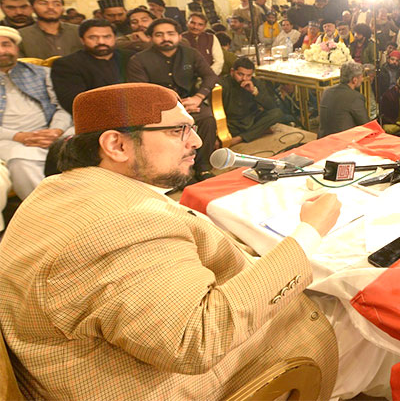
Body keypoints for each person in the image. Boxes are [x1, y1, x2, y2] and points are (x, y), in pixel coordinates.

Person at [0, 83, 340, 400]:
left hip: (106, 363)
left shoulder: (53, 189)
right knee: (349, 313)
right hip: (186, 382)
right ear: (116, 145)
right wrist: (309, 232)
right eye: (178, 130)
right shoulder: (123, 223)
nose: (196, 142)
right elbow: (197, 340)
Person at [126, 18, 219, 177]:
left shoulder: (191, 54)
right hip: (157, 108)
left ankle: (203, 167)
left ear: (178, 35)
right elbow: (140, 92)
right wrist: (173, 107)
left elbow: (210, 76)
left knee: (207, 118)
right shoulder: (139, 60)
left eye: (171, 34)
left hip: (189, 102)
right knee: (166, 128)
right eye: (159, 35)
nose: (166, 38)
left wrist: (198, 97)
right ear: (150, 37)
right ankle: (176, 171)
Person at [0, 27, 71, 199]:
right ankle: (47, 215)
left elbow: (62, 107)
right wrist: (19, 136)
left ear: (16, 47)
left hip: (50, 130)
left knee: (85, 140)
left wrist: (55, 131)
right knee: (21, 161)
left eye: (6, 45)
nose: (2, 51)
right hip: (8, 137)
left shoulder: (42, 73)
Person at [219, 57, 308, 152]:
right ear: (232, 72)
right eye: (240, 74)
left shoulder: (255, 83)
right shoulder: (223, 84)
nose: (244, 79)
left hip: (251, 119)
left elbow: (272, 106)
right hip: (232, 123)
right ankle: (257, 131)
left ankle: (240, 138)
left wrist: (255, 92)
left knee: (277, 113)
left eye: (248, 75)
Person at [50, 19, 132, 112]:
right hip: (95, 117)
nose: (101, 41)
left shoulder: (130, 57)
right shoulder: (67, 64)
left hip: (136, 112)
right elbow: (75, 102)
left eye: (107, 37)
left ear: (114, 38)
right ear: (82, 40)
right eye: (93, 37)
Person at [17, 0, 81, 59]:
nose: (51, 7)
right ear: (32, 8)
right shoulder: (21, 36)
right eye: (43, 3)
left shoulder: (79, 31)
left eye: (57, 4)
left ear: (63, 9)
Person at [318, 62, 371, 138]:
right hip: (342, 142)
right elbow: (365, 124)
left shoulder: (327, 91)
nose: (362, 80)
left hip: (323, 138)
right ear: (354, 80)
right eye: (361, 77)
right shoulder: (355, 97)